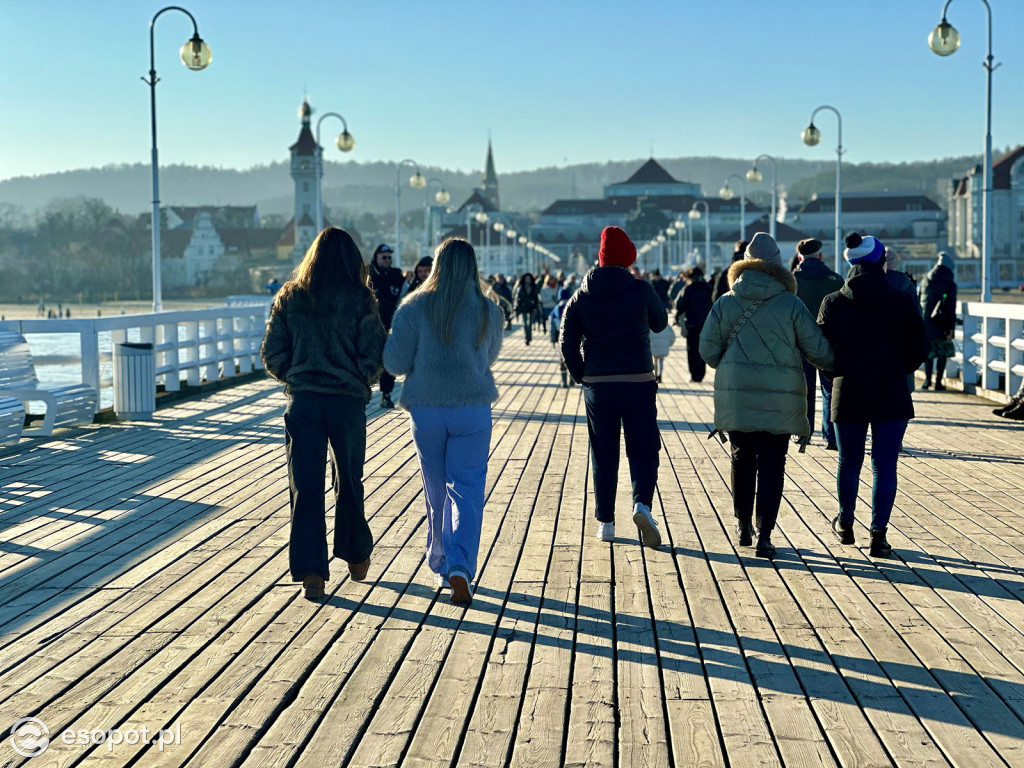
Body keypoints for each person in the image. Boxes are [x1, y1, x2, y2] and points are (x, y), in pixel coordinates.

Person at [260, 227, 387, 600]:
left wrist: (296, 376)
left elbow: (271, 353)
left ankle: (312, 573)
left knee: (305, 487)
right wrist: (357, 378)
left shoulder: (290, 296)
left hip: (303, 402)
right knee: (349, 479)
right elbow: (375, 352)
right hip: (345, 401)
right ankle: (356, 555)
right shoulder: (360, 299)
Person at [383, 238, 504, 605]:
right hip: (472, 409)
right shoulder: (489, 311)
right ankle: (460, 566)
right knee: (466, 488)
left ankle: (438, 560)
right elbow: (489, 358)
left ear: (436, 264)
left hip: (427, 409)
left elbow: (394, 363)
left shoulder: (413, 307)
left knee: (436, 489)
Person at [699, 233, 833, 558]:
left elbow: (707, 350)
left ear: (745, 262)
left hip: (738, 397)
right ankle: (765, 535)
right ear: (776, 264)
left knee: (742, 457)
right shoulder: (791, 304)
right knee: (773, 463)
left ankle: (742, 524)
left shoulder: (727, 301)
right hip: (781, 400)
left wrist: (730, 365)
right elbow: (819, 352)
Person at [818, 233, 929, 556]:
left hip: (848, 390)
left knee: (848, 461)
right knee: (884, 465)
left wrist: (835, 373)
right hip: (891, 390)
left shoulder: (834, 302)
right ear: (881, 261)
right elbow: (920, 344)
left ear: (850, 264)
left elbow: (820, 349)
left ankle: (845, 523)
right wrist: (901, 368)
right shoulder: (900, 300)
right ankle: (878, 534)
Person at [559, 226, 667, 548]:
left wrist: (583, 375)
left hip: (599, 385)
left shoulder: (582, 294)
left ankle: (605, 522)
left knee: (603, 451)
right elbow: (660, 323)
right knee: (644, 446)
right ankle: (641, 505)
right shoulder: (641, 289)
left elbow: (567, 342)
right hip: (638, 380)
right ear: (628, 259)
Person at [793, 238, 844, 450]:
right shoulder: (834, 280)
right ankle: (831, 436)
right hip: (828, 343)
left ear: (799, 257)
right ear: (820, 256)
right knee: (830, 390)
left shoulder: (791, 280)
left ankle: (803, 433)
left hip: (798, 343)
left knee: (802, 389)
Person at [368, 244, 405, 409]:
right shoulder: (367, 274)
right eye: (384, 257)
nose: (387, 260)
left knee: (388, 363)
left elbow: (406, 294)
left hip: (390, 326)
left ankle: (386, 394)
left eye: (389, 257)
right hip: (369, 327)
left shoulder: (396, 275)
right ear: (376, 257)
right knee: (367, 361)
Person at [918, 252, 958, 391]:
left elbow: (918, 301)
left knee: (928, 354)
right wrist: (951, 328)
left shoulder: (926, 280)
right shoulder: (949, 283)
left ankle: (927, 381)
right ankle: (939, 383)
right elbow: (951, 307)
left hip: (925, 322)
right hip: (942, 323)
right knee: (942, 353)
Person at [674, 266, 713, 382]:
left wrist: (677, 317)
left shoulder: (688, 288)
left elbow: (680, 304)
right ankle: (701, 374)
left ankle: (694, 375)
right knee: (703, 348)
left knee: (692, 350)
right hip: (707, 323)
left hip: (692, 324)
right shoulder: (708, 288)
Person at [549, 287, 573, 388]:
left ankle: (564, 382)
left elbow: (552, 327)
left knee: (562, 359)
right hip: (572, 336)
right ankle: (572, 377)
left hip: (560, 337)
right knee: (573, 358)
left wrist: (552, 339)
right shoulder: (573, 306)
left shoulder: (555, 310)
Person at [513, 272, 539, 345]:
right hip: (523, 308)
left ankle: (529, 337)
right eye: (526, 279)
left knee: (530, 323)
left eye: (529, 279)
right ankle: (526, 337)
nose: (528, 280)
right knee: (525, 323)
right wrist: (517, 307)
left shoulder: (534, 287)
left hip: (531, 308)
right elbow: (517, 298)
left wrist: (535, 307)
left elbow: (536, 299)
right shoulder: (521, 288)